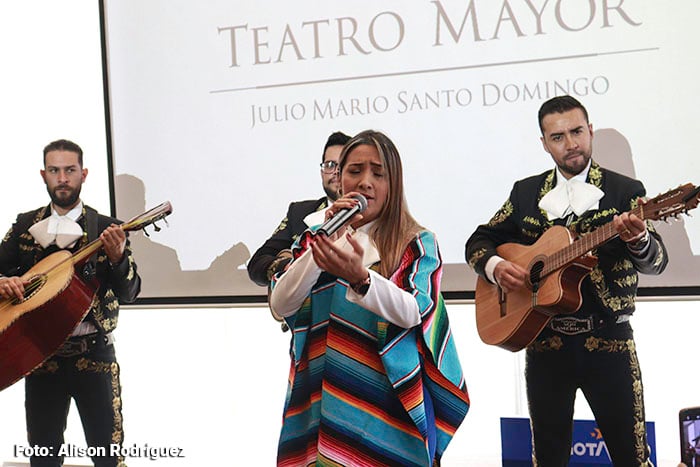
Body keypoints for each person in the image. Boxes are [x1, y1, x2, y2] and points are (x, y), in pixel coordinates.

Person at [465, 95, 667, 465]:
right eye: (558, 137)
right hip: (545, 343)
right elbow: (478, 241)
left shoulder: (626, 192)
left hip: (609, 340)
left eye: (577, 132)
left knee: (631, 455)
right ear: (544, 143)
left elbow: (657, 262)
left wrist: (637, 238)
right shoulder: (525, 194)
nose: (570, 143)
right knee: (549, 456)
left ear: (590, 132)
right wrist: (496, 266)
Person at [270, 130, 470, 466]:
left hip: (387, 403)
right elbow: (281, 304)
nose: (365, 182)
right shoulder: (314, 237)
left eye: (378, 173)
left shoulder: (416, 242)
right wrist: (324, 242)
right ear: (339, 179)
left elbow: (414, 311)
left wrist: (360, 279)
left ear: (394, 184)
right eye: (354, 171)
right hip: (319, 394)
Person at [0, 139, 141, 467]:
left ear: (84, 174)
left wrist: (118, 258)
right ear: (43, 175)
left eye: (70, 170)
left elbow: (131, 291)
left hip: (94, 356)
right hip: (38, 358)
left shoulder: (108, 228)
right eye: (54, 170)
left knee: (108, 458)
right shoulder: (24, 226)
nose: (62, 178)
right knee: (43, 459)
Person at [247, 131, 351, 287]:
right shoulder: (300, 212)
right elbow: (257, 264)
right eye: (329, 165)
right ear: (321, 171)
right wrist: (291, 267)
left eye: (343, 166)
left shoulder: (372, 213)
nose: (336, 172)